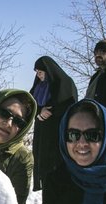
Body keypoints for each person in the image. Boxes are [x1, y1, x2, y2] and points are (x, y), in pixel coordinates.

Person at [30, 56, 78, 191]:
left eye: (40, 72)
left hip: (58, 131)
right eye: (36, 72)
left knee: (56, 166)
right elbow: (29, 104)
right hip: (42, 132)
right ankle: (46, 198)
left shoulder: (64, 83)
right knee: (43, 165)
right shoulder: (39, 86)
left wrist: (51, 111)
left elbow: (69, 105)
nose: (38, 75)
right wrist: (39, 111)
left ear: (48, 70)